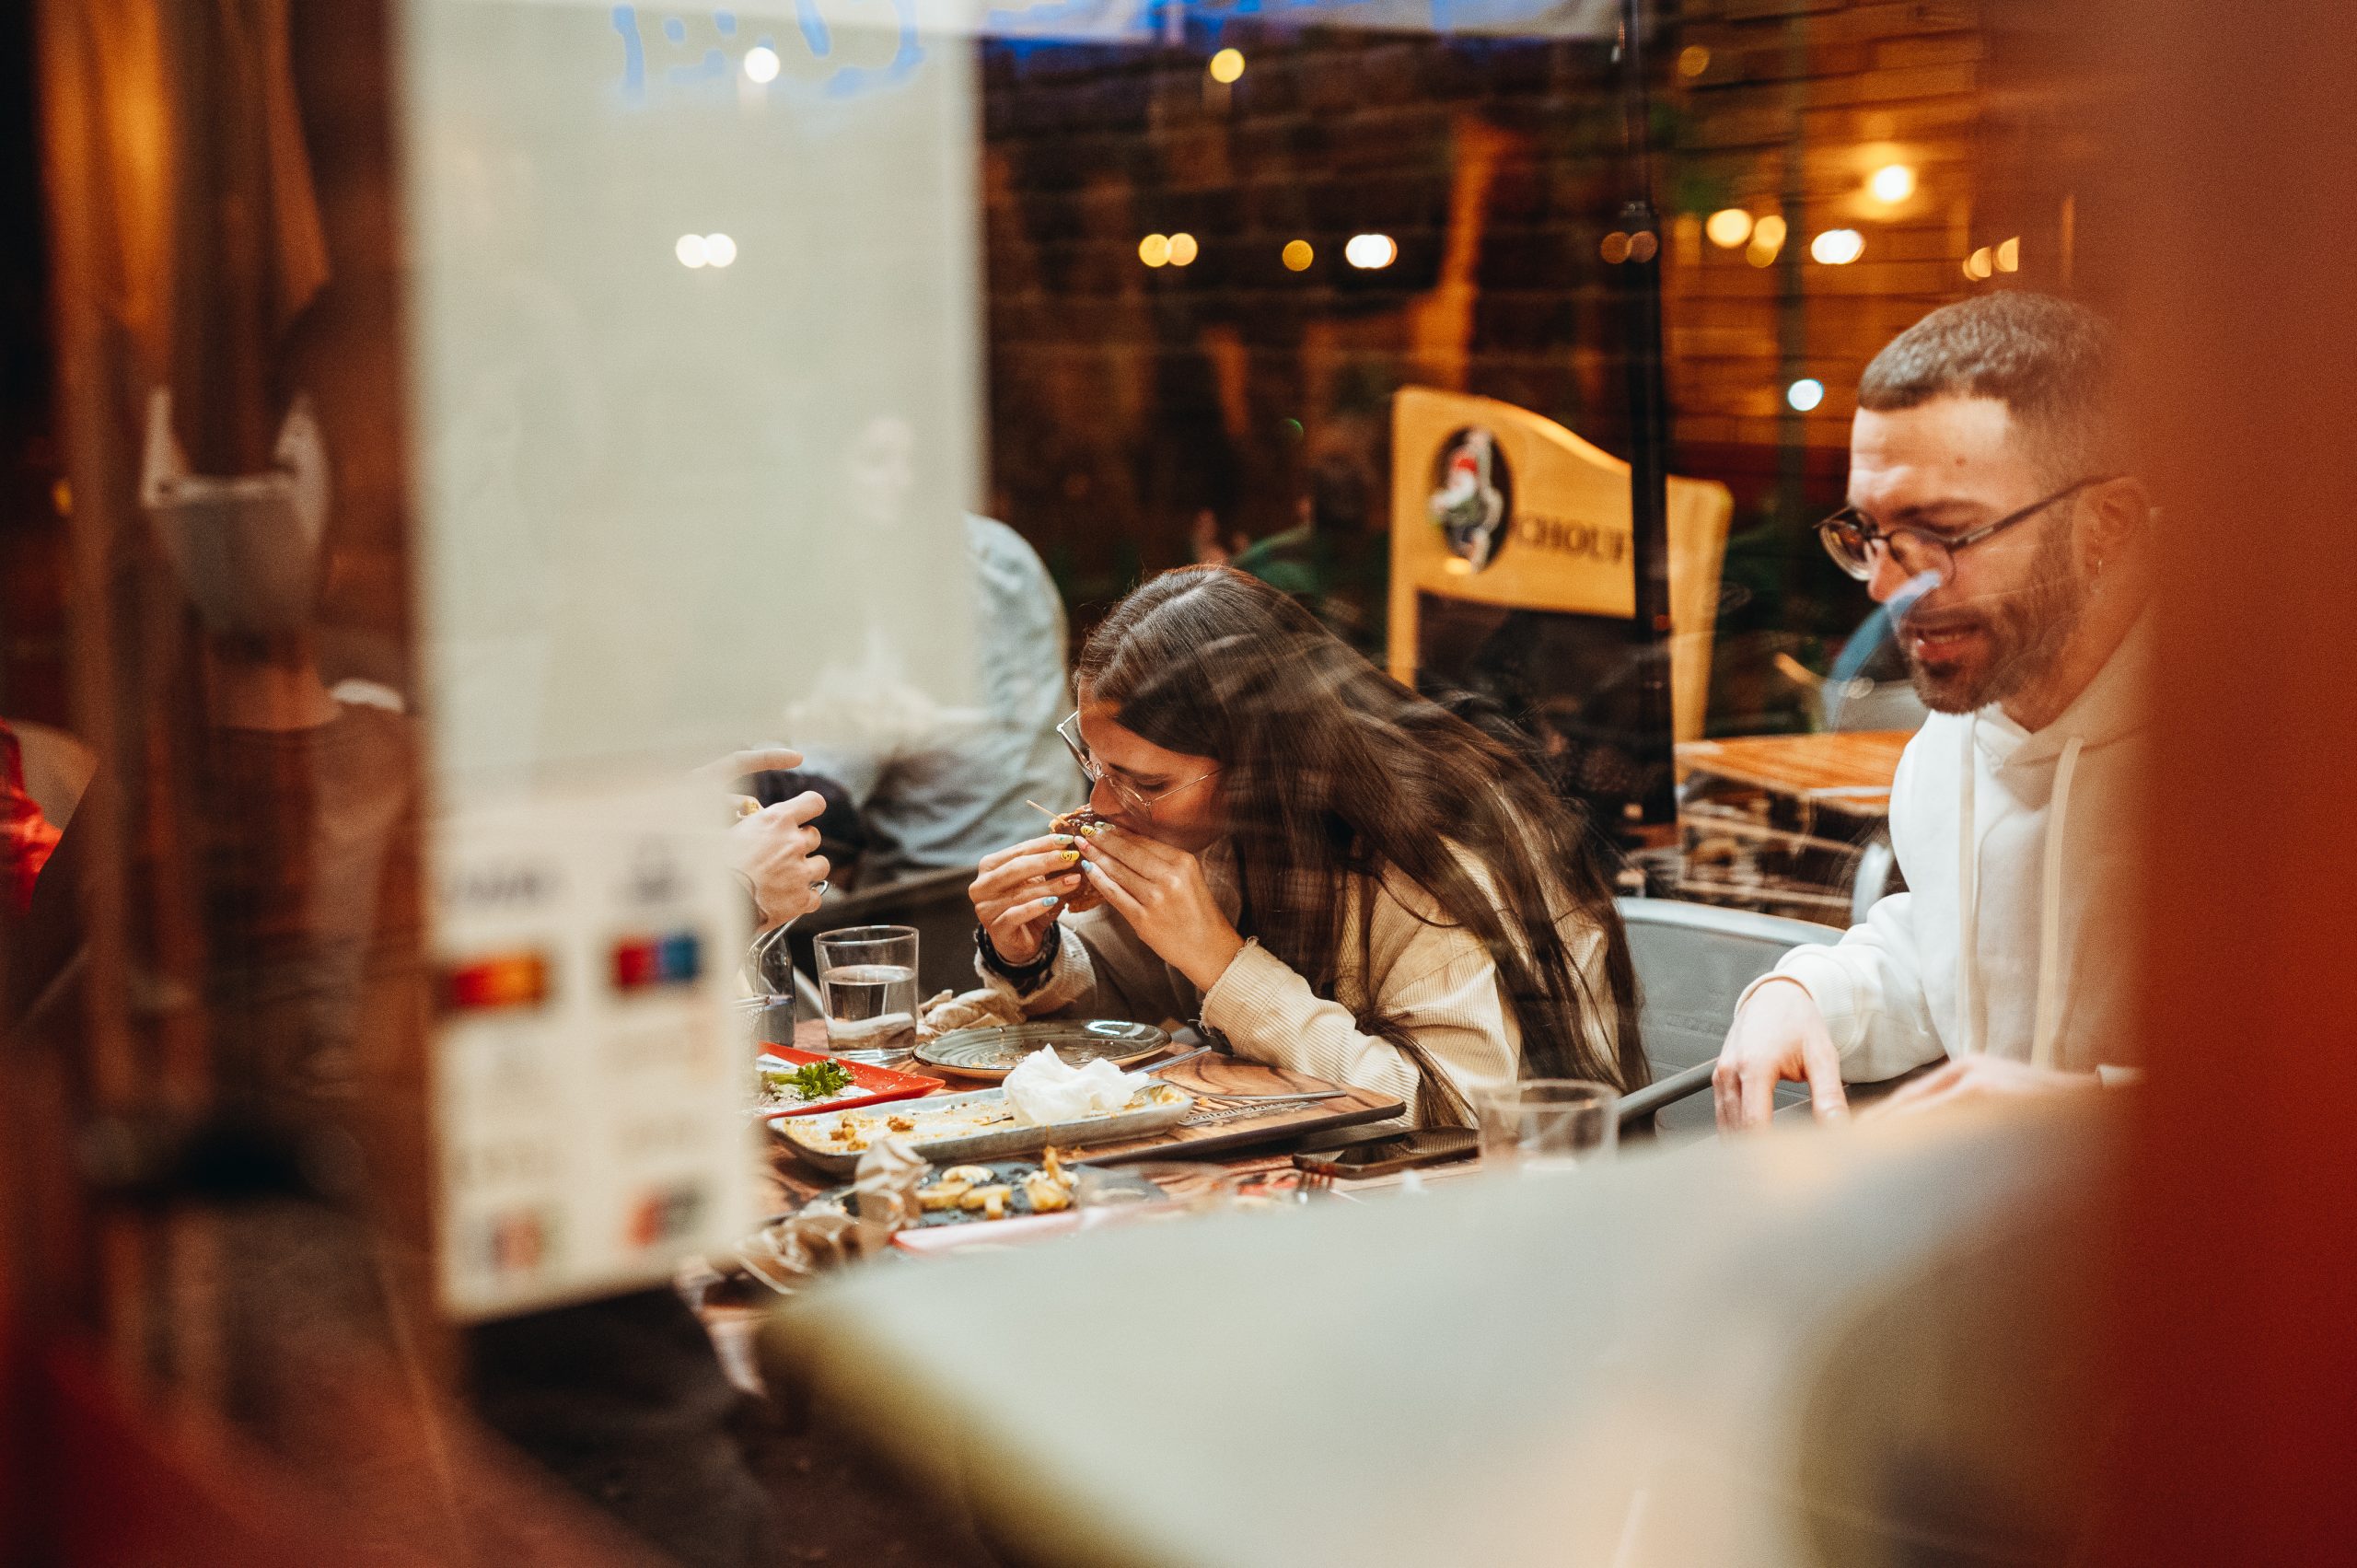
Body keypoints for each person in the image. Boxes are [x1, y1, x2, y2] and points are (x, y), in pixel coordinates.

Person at [965, 566, 1643, 1127]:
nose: (1105, 804)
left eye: (1146, 782)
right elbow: (1132, 996)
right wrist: (1031, 955)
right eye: (1094, 763)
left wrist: (1222, 963)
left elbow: (1456, 1106)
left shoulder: (1430, 845)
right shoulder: (1217, 822)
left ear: (1258, 761)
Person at [1713, 293, 2153, 1130]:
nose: (1887, 586)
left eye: (1944, 532)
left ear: (2107, 524)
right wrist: (1803, 992)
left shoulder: (2267, 740)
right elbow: (1958, 958)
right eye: (1870, 532)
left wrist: (2081, 1117)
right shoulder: (1948, 742)